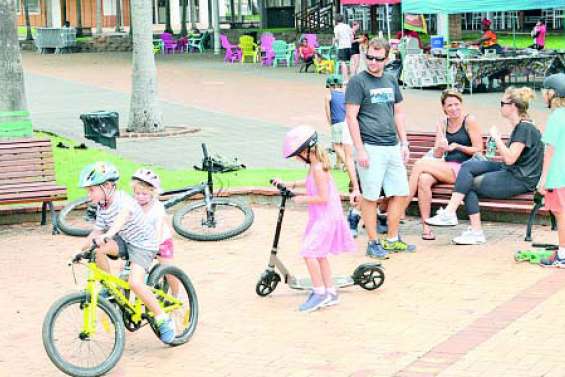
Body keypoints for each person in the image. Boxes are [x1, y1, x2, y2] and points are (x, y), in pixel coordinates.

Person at [426, 87, 543, 245]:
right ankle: (450, 212)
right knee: (468, 167)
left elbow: (510, 158)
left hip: (520, 178)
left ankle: (475, 232)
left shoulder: (525, 128)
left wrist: (497, 138)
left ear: (513, 106)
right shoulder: (521, 126)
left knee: (469, 184)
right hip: (512, 171)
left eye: (503, 103)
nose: (500, 106)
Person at [79, 162, 176, 343]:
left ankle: (163, 318)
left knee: (135, 282)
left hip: (143, 244)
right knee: (96, 250)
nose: (88, 194)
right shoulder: (102, 206)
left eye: (91, 190)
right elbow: (95, 232)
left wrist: (109, 234)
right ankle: (109, 289)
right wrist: (78, 251)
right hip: (125, 241)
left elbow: (122, 219)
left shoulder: (123, 200)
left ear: (107, 187)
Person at [345, 37, 415, 259]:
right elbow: (351, 117)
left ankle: (392, 238)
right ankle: (373, 241)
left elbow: (399, 112)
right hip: (371, 146)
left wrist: (404, 142)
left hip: (392, 145)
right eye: (369, 57)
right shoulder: (358, 82)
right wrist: (360, 149)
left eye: (378, 59)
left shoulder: (391, 79)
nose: (372, 62)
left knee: (401, 193)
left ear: (387, 59)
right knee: (371, 196)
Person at [275, 126, 356, 312]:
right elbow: (312, 184)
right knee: (319, 255)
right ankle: (331, 292)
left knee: (309, 252)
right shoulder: (315, 165)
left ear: (305, 151)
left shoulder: (318, 168)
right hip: (322, 217)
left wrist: (300, 198)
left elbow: (323, 197)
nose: (296, 158)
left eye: (297, 154)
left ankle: (319, 293)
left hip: (326, 218)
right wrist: (291, 184)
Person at [405, 89, 483, 240]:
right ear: (444, 108)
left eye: (457, 104)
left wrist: (457, 146)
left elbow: (479, 149)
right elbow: (437, 155)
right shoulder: (442, 123)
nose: (454, 108)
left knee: (419, 165)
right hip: (446, 166)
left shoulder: (469, 121)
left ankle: (402, 206)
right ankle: (426, 228)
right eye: (449, 106)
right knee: (423, 179)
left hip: (464, 169)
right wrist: (440, 147)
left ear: (461, 104)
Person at [131, 168, 179, 294]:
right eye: (137, 193)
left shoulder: (157, 208)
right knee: (126, 269)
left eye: (144, 194)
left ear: (152, 193)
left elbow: (159, 229)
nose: (140, 197)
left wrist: (154, 246)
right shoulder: (133, 205)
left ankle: (176, 294)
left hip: (160, 241)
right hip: (140, 242)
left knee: (168, 269)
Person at [537, 73, 565, 267]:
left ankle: (562, 254)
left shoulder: (557, 116)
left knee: (561, 214)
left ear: (552, 93)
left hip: (557, 175)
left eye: (544, 91)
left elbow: (550, 150)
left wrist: (543, 179)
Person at [324, 75, 347, 169]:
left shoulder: (328, 96)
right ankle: (338, 164)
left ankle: (347, 163)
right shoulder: (345, 95)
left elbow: (328, 111)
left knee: (335, 145)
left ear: (330, 86)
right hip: (346, 122)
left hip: (336, 122)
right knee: (341, 143)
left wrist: (330, 123)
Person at [334, 14, 352, 83]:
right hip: (349, 46)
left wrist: (334, 41)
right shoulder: (347, 26)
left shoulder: (337, 27)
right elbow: (351, 36)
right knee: (349, 62)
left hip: (342, 46)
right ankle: (350, 78)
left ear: (336, 20)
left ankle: (346, 79)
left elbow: (337, 38)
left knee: (343, 62)